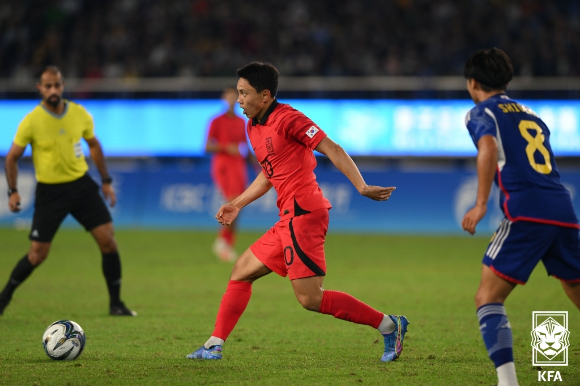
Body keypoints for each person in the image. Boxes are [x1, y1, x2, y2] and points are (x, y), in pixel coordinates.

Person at [187, 62, 408, 362]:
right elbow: (269, 174)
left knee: (310, 298)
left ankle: (389, 325)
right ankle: (214, 344)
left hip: (304, 214)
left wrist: (361, 185)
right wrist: (237, 203)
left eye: (244, 93)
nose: (238, 99)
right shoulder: (253, 126)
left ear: (265, 95)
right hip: (287, 219)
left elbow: (331, 147)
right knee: (241, 272)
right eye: (237, 93)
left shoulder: (289, 118)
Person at [461, 48, 580, 386]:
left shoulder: (480, 112)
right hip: (564, 211)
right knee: (574, 286)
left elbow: (486, 149)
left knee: (487, 297)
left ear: (472, 83)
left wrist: (481, 203)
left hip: (527, 212)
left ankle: (508, 382)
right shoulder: (532, 114)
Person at [0, 66, 136, 317]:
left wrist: (105, 180)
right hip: (50, 191)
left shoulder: (79, 113)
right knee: (38, 254)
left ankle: (116, 303)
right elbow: (11, 158)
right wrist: (13, 191)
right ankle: (4, 298)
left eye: (57, 85)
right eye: (48, 86)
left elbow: (93, 145)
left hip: (81, 186)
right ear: (40, 88)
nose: (53, 90)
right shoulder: (31, 121)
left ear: (63, 86)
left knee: (108, 241)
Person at [205, 86, 249, 262]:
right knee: (232, 200)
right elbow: (207, 146)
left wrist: (259, 165)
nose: (232, 99)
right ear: (224, 99)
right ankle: (222, 241)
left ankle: (226, 242)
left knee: (239, 205)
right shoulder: (216, 121)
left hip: (238, 165)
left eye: (235, 96)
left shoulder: (241, 122)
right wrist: (225, 147)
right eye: (229, 96)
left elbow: (245, 148)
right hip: (223, 164)